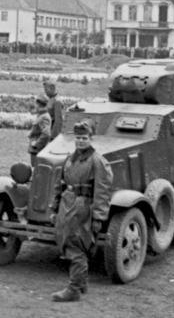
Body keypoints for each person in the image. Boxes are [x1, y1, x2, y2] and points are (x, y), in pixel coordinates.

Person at [50, 120, 113, 303]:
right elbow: (60, 184)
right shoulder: (70, 159)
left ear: (91, 139)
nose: (81, 141)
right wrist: (54, 208)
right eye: (78, 138)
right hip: (66, 205)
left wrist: (99, 217)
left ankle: (74, 289)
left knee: (76, 244)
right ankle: (82, 283)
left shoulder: (97, 161)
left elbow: (102, 191)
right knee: (65, 239)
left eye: (84, 138)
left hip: (84, 207)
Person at [28, 96, 52, 166]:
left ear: (38, 104)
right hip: (36, 149)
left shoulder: (44, 117)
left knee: (36, 169)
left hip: (38, 149)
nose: (35, 105)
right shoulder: (41, 115)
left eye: (36, 104)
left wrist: (36, 144)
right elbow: (32, 112)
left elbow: (46, 134)